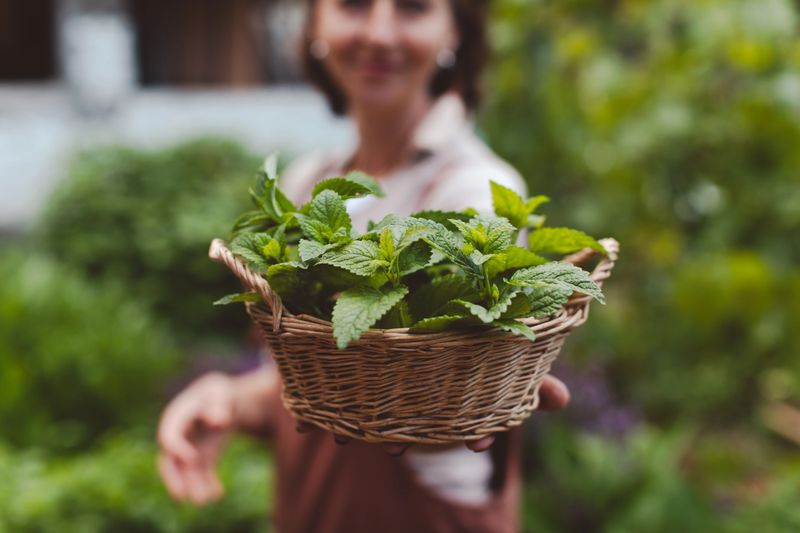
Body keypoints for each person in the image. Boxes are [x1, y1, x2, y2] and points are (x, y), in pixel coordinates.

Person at [157, 0, 571, 531]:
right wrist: (231, 400)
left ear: (455, 33)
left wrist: (463, 400)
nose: (378, 33)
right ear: (314, 25)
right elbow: (304, 375)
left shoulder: (477, 193)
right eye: (353, 4)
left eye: (413, 8)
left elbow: (447, 397)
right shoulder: (309, 183)